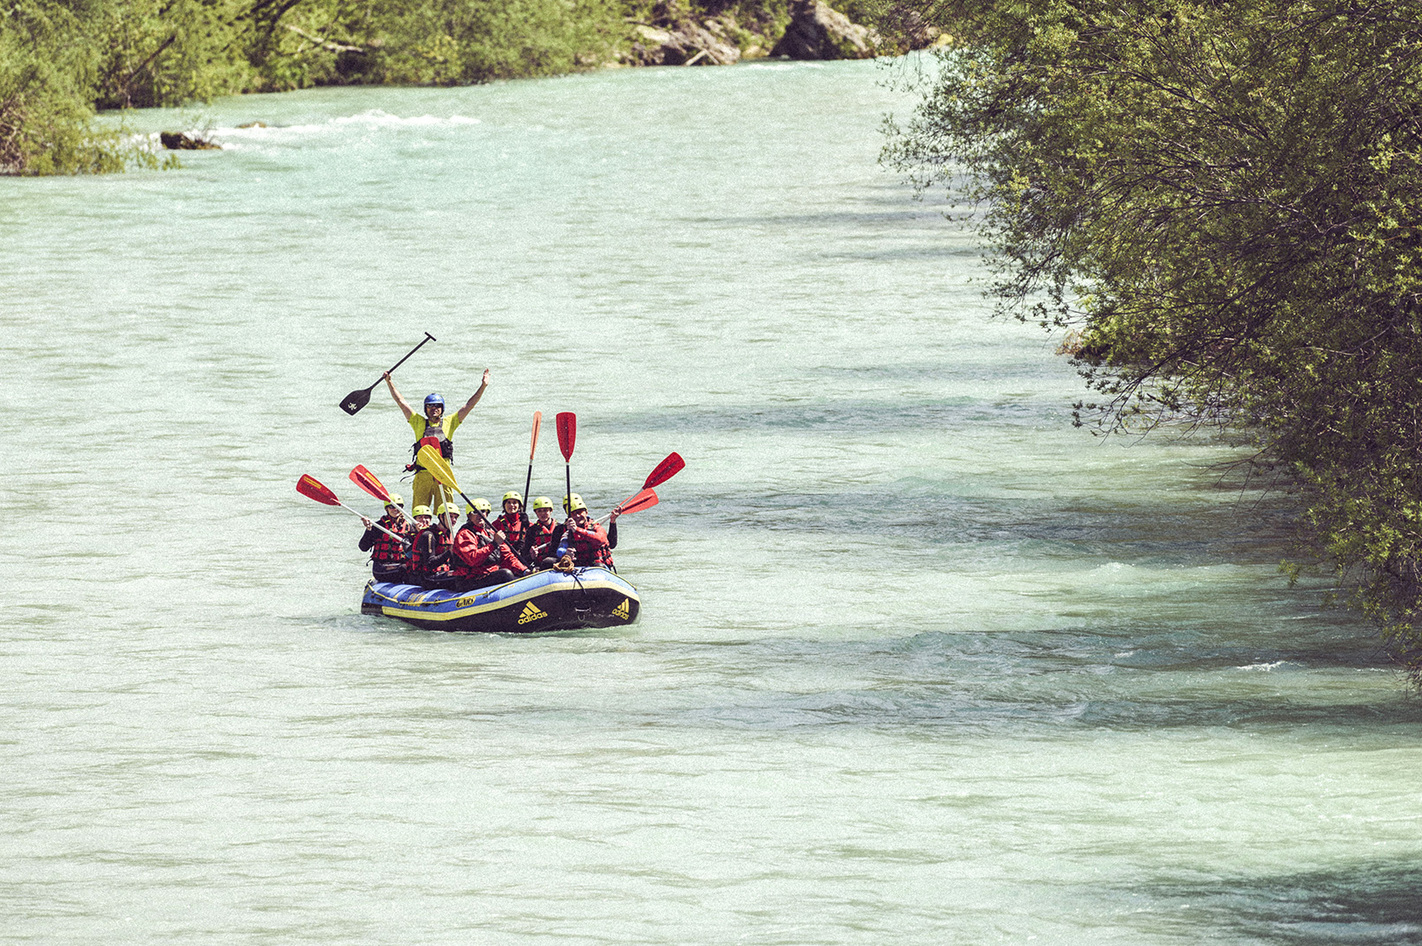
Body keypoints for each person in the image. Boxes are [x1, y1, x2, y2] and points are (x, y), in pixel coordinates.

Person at [384, 367, 490, 511]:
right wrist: (390, 383)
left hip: (444, 475)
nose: (434, 409)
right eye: (430, 406)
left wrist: (483, 386)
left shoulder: (450, 422)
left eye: (437, 406)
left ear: (442, 408)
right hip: (423, 476)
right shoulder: (418, 422)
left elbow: (469, 405)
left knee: (447, 513)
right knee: (419, 513)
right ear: (425, 409)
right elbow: (402, 402)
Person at [450, 503, 528, 590]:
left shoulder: (490, 532)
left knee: (518, 575)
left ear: (487, 514)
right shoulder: (464, 534)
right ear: (469, 516)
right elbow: (473, 559)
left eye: (483, 511)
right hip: (470, 578)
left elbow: (507, 556)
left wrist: (524, 570)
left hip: (489, 573)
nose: (480, 515)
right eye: (475, 512)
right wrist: (494, 544)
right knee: (505, 574)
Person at [555, 493, 617, 570]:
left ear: (586, 512)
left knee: (598, 566)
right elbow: (560, 548)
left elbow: (600, 539)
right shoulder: (566, 531)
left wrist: (577, 530)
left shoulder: (596, 526)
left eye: (580, 512)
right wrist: (565, 554)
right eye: (573, 513)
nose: (577, 516)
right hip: (579, 565)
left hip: (598, 565)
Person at [358, 494, 412, 583]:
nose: (395, 509)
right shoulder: (379, 526)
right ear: (386, 509)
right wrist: (368, 530)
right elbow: (363, 547)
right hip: (381, 568)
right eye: (392, 507)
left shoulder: (409, 527)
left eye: (399, 506)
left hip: (401, 564)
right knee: (404, 569)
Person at [408, 503, 457, 588]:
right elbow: (430, 564)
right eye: (450, 516)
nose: (453, 520)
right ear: (441, 517)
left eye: (455, 517)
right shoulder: (428, 535)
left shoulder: (449, 534)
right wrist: (449, 552)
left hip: (442, 573)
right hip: (428, 577)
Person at [491, 491, 528, 560]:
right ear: (504, 505)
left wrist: (528, 526)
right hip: (504, 558)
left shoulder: (525, 523)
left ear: (519, 506)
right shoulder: (497, 524)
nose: (511, 505)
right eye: (508, 502)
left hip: (522, 557)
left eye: (514, 502)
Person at [525, 496, 560, 567]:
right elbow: (525, 556)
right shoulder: (531, 530)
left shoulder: (560, 528)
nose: (542, 514)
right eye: (539, 511)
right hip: (540, 565)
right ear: (536, 513)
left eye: (545, 510)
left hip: (557, 562)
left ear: (551, 511)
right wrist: (532, 555)